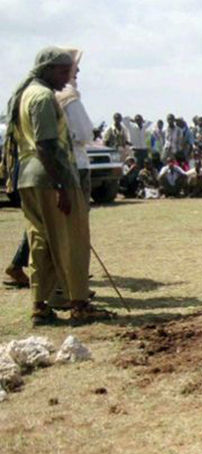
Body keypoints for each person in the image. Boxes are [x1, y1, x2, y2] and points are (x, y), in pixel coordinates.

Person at [2, 47, 113, 324]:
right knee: (72, 240)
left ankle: (40, 305)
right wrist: (62, 185)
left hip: (28, 177)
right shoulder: (41, 97)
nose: (68, 77)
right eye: (64, 71)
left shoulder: (25, 94)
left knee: (40, 241)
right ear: (47, 69)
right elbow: (46, 144)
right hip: (51, 177)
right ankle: (79, 303)